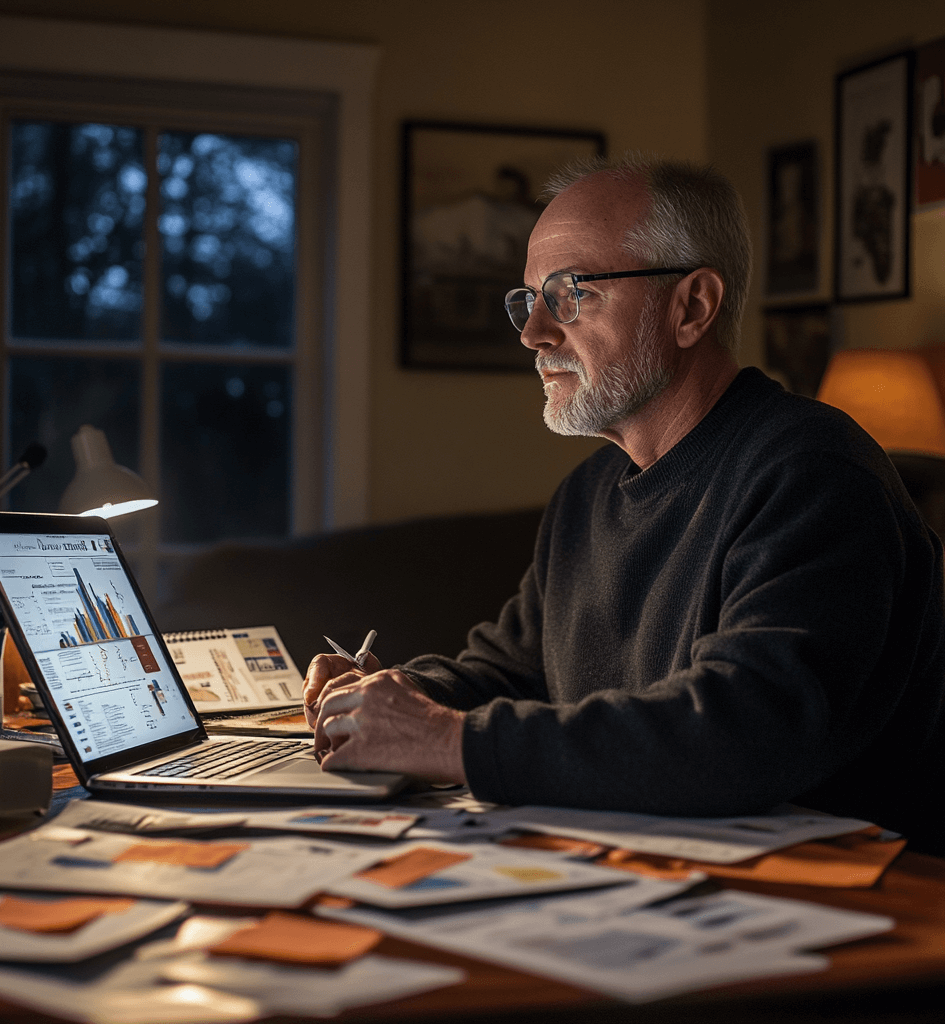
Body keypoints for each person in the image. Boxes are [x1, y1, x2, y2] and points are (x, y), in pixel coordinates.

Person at [303, 155, 945, 854]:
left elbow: (743, 734)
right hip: (662, 870)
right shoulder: (587, 494)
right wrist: (395, 697)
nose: (534, 333)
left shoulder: (814, 474)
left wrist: (447, 741)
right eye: (528, 299)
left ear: (692, 306)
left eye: (571, 292)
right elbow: (514, 674)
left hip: (849, 905)